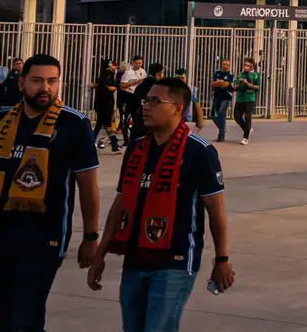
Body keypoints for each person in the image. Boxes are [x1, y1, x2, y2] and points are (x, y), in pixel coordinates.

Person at [0, 54, 101, 332]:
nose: (45, 87)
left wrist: (90, 237)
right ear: (22, 83)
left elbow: (88, 186)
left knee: (24, 320)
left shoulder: (73, 124)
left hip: (44, 237)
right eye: (37, 80)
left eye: (52, 81)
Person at [87, 76, 230, 331]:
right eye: (146, 100)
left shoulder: (199, 152)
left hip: (174, 261)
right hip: (135, 257)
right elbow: (120, 204)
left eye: (155, 101)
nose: (146, 106)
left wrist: (222, 258)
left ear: (177, 108)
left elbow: (215, 211)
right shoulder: (137, 149)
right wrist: (101, 253)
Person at [93, 59, 121, 152]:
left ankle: (91, 143)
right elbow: (109, 87)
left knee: (99, 125)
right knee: (108, 125)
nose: (115, 67)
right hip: (104, 104)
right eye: (112, 65)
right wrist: (109, 88)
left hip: (104, 104)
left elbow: (112, 86)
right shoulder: (106, 75)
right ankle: (114, 146)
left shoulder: (105, 75)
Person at [118, 56, 148, 135]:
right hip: (130, 96)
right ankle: (127, 135)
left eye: (140, 63)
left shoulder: (143, 71)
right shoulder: (128, 72)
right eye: (137, 63)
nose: (139, 65)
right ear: (133, 63)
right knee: (129, 117)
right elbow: (122, 85)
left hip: (140, 97)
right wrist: (135, 82)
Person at [233, 58, 260, 145]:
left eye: (247, 65)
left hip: (249, 99)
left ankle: (245, 137)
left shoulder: (255, 75)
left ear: (251, 66)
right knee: (237, 116)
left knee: (248, 117)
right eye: (244, 65)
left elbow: (258, 87)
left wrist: (248, 84)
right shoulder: (240, 74)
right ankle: (247, 129)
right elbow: (236, 86)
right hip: (240, 98)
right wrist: (235, 86)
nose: (245, 67)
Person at [210, 60, 235, 143]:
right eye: (224, 64)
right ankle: (223, 128)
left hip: (226, 97)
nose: (225, 66)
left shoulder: (231, 75)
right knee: (213, 115)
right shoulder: (217, 73)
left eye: (227, 64)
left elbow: (227, 85)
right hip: (217, 96)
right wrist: (220, 83)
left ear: (229, 66)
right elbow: (212, 84)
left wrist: (219, 83)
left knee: (221, 114)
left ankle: (221, 136)